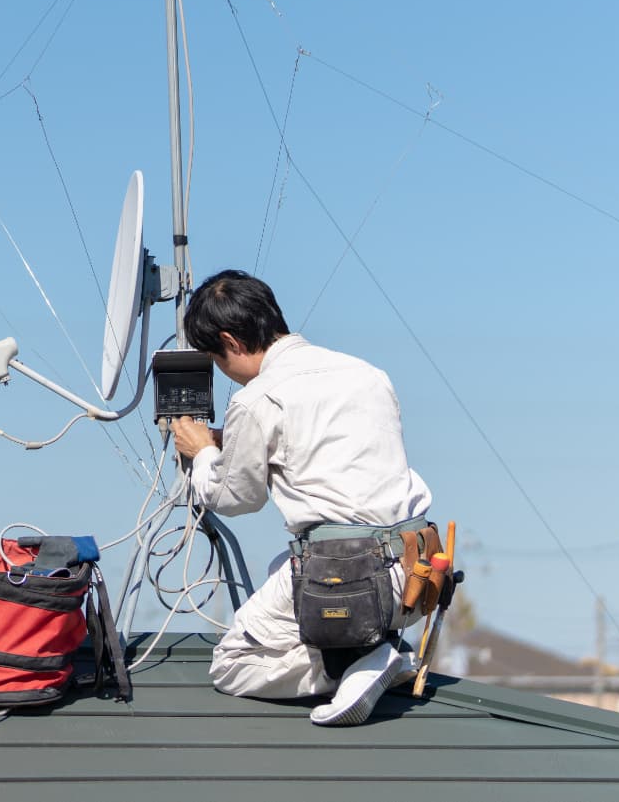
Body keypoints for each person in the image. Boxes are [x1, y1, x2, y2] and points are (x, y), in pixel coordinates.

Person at [168, 269, 435, 726]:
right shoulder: (368, 374)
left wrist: (205, 453)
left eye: (216, 357)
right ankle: (373, 651)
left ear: (230, 342)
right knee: (282, 566)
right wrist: (229, 444)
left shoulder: (258, 399)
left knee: (232, 662)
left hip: (348, 579)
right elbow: (332, 465)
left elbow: (235, 497)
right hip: (415, 574)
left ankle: (355, 665)